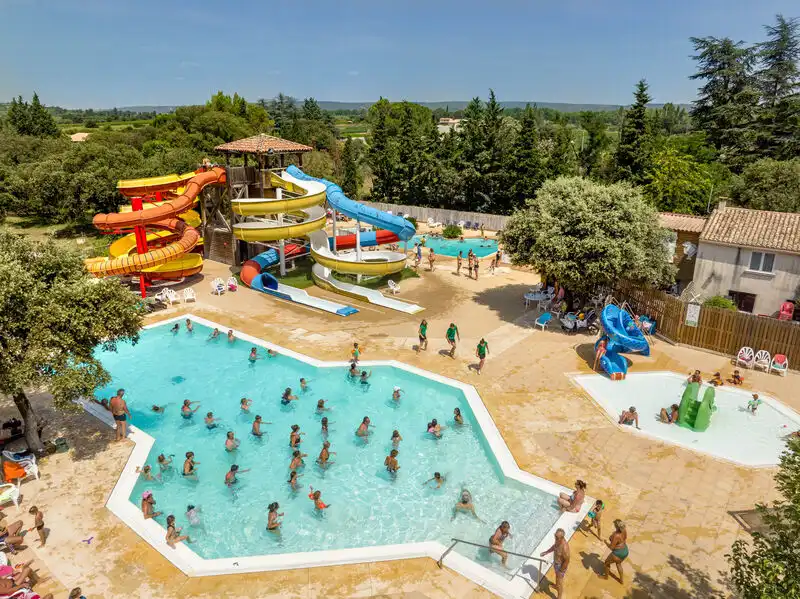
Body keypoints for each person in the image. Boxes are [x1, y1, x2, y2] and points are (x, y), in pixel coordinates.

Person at [541, 528, 570, 598]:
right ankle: (556, 586)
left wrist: (561, 571)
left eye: (557, 537)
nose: (555, 538)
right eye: (555, 536)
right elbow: (554, 547)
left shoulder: (565, 548)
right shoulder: (558, 541)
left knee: (560, 582)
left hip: (561, 567)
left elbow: (567, 561)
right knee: (557, 578)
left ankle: (559, 596)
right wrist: (546, 552)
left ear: (562, 538)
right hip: (556, 564)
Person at [602, 519, 629, 583]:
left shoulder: (616, 535)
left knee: (606, 563)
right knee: (618, 563)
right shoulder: (624, 530)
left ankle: (605, 577)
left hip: (618, 553)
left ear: (616, 526)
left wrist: (606, 542)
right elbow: (624, 538)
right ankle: (621, 580)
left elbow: (611, 547)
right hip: (625, 550)